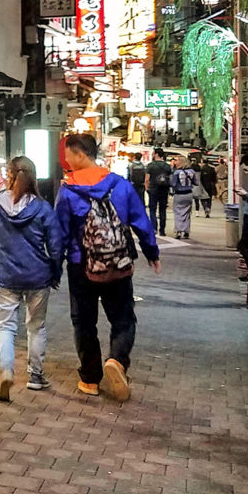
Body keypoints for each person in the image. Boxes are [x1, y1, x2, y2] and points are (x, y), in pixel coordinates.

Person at [56, 133, 161, 402]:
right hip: (117, 263)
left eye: (68, 155)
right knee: (124, 319)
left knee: (84, 323)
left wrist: (55, 266)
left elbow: (59, 234)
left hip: (81, 266)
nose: (66, 161)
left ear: (80, 155)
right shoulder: (120, 186)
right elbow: (140, 221)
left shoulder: (68, 191)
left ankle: (90, 379)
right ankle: (117, 360)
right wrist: (151, 252)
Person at [0, 155, 62, 403]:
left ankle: (7, 370)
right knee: (35, 326)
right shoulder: (42, 207)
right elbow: (56, 245)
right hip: (38, 275)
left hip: (6, 275)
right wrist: (55, 271)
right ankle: (36, 376)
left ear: (9, 175)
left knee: (6, 327)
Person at [145, 147, 171, 235]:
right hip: (164, 189)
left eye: (153, 153)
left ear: (156, 154)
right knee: (162, 210)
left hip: (153, 189)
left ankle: (154, 228)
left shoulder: (151, 165)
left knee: (152, 209)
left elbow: (147, 179)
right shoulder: (167, 166)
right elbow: (170, 178)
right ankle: (162, 230)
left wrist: (147, 188)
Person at [170, 155, 197, 240]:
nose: (175, 162)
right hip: (189, 194)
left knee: (178, 212)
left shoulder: (177, 172)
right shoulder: (192, 171)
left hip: (179, 194)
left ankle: (178, 230)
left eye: (177, 160)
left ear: (181, 162)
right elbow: (196, 182)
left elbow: (173, 184)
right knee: (187, 213)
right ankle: (186, 231)